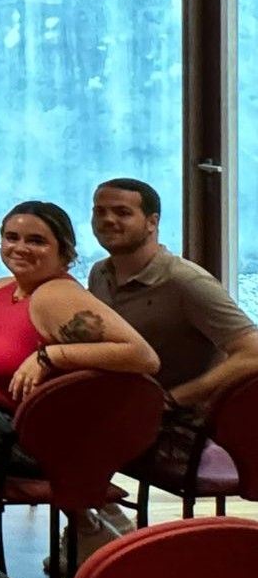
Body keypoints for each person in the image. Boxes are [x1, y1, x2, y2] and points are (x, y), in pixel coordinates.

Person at [0, 200, 159, 555]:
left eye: (36, 241)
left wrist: (51, 355)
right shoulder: (0, 288)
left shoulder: (57, 296)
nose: (20, 247)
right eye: (11, 237)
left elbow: (143, 356)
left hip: (19, 436)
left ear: (64, 252)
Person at [87, 177, 258, 477]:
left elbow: (252, 352)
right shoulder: (100, 273)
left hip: (177, 426)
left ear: (152, 222)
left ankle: (93, 514)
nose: (108, 220)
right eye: (99, 211)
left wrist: (176, 398)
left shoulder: (186, 282)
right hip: (122, 409)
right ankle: (93, 512)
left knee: (58, 428)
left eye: (122, 212)